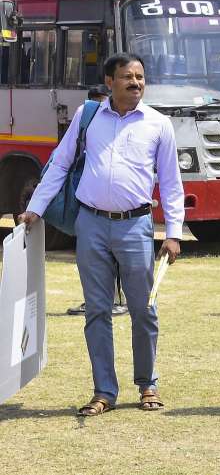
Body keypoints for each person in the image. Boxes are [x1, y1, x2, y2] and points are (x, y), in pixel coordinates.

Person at [19, 54, 184, 417]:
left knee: (143, 309)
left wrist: (173, 233)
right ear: (109, 81)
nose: (135, 83)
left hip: (136, 226)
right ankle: (104, 391)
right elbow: (60, 164)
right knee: (97, 311)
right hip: (90, 224)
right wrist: (36, 207)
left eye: (140, 77)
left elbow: (171, 183)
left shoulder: (158, 124)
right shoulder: (88, 115)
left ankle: (148, 384)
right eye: (127, 77)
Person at [67, 84, 129, 318]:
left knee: (116, 258)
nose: (99, 105)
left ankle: (117, 301)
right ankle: (95, 301)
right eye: (94, 100)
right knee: (91, 260)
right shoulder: (88, 120)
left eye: (101, 99)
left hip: (119, 211)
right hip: (89, 206)